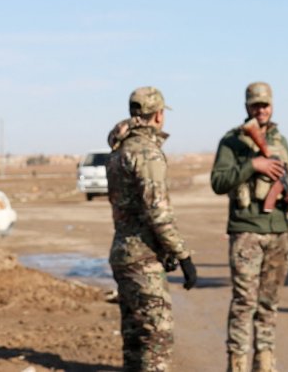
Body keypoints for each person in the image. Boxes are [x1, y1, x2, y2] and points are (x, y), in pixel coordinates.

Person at [210, 82, 288, 372]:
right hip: (247, 231)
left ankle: (264, 365)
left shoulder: (281, 140)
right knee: (244, 304)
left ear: (272, 106)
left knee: (269, 305)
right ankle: (237, 365)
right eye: (255, 105)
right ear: (246, 107)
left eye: (265, 104)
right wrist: (254, 165)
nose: (260, 109)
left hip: (278, 231)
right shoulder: (232, 141)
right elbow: (218, 182)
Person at [106, 86, 197, 372]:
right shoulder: (147, 153)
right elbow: (158, 213)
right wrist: (183, 256)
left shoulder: (119, 151)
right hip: (143, 260)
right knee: (156, 340)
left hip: (123, 253)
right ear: (158, 115)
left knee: (134, 340)